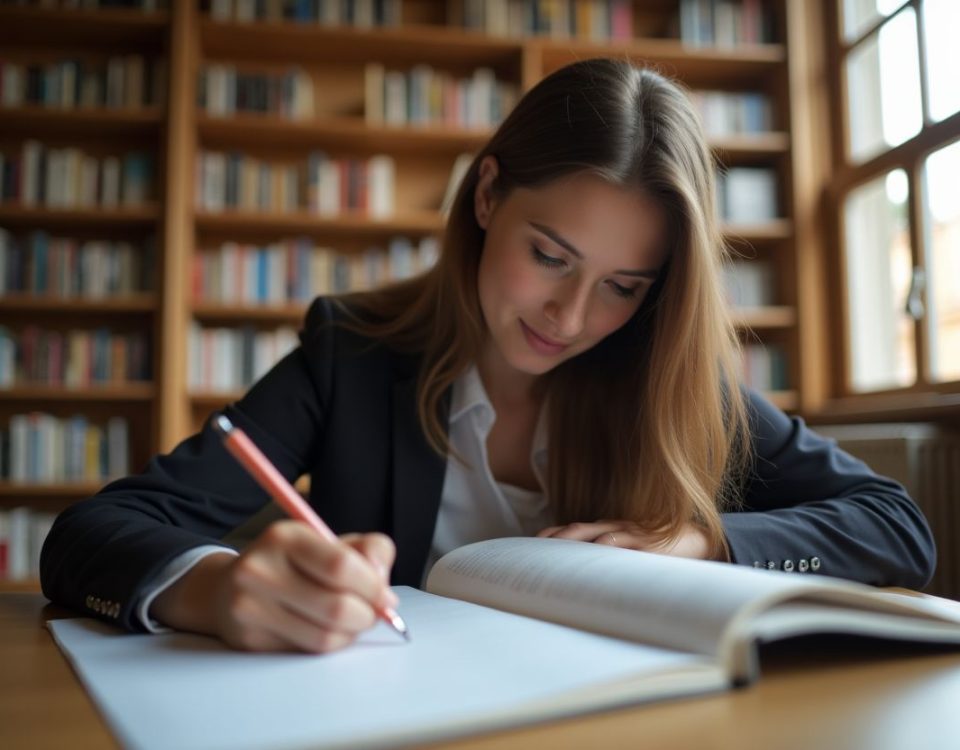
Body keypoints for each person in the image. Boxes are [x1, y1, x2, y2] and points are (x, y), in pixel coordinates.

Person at [40, 58, 935, 654]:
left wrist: (704, 539)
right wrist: (218, 589)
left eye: (624, 285)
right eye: (549, 256)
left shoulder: (669, 379)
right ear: (488, 194)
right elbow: (87, 537)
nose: (573, 315)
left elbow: (897, 525)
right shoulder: (350, 353)